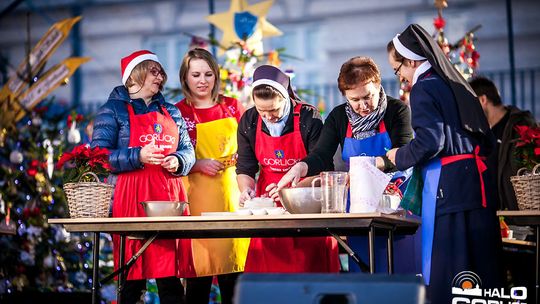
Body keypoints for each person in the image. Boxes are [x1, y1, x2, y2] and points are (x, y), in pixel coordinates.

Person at [386, 24, 501, 303]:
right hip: (475, 184)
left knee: (452, 266)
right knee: (481, 265)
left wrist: (397, 156)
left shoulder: (423, 89)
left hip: (449, 188)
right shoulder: (453, 84)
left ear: (411, 60)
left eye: (397, 68)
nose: (399, 76)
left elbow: (430, 142)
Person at [270, 56, 415, 273]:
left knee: (397, 268)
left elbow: (404, 154)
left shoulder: (397, 111)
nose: (363, 106)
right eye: (355, 100)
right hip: (360, 207)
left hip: (395, 202)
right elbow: (321, 155)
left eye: (368, 97)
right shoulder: (339, 117)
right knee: (364, 267)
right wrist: (300, 168)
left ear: (378, 85)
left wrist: (369, 165)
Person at [91, 50, 195, 304]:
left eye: (161, 73)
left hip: (168, 198)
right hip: (131, 200)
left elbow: (188, 151)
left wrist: (179, 160)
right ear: (135, 75)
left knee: (170, 279)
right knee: (131, 279)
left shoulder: (171, 110)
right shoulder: (112, 110)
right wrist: (138, 156)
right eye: (154, 71)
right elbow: (98, 157)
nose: (160, 78)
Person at [236, 64, 339, 273]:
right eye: (261, 110)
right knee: (270, 279)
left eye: (274, 109)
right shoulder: (249, 121)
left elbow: (323, 166)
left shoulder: (308, 118)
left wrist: (292, 188)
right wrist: (247, 190)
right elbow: (246, 167)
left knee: (309, 275)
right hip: (270, 211)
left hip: (307, 206)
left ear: (286, 98)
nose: (268, 116)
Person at [175, 48, 248, 304]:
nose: (202, 80)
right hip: (196, 200)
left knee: (234, 277)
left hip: (231, 196)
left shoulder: (232, 106)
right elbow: (171, 158)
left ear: (216, 76)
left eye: (208, 74)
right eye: (195, 74)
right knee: (198, 278)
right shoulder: (177, 113)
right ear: (185, 78)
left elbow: (250, 147)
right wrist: (197, 164)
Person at [469, 76, 537, 210]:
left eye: (471, 104)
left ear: (483, 100)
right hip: (500, 215)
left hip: (522, 214)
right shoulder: (485, 134)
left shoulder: (520, 125)